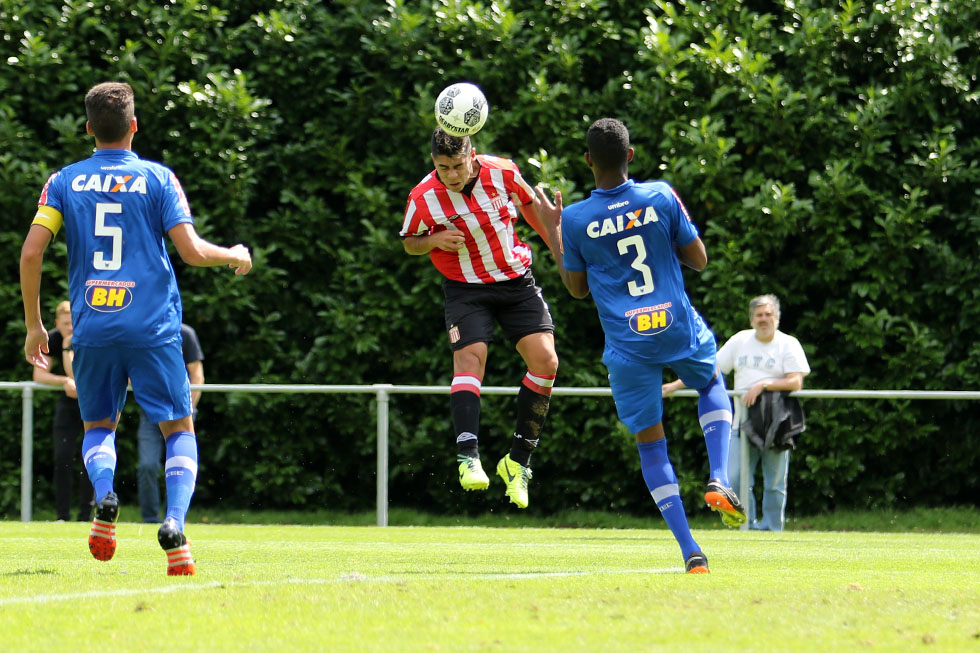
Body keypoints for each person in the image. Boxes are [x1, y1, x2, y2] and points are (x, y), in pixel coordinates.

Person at [21, 81, 252, 575]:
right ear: (133, 126)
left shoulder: (62, 181)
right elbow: (190, 252)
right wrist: (234, 255)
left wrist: (35, 327)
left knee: (99, 426)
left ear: (88, 129)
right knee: (178, 427)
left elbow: (31, 253)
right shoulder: (158, 178)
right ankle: (173, 526)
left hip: (93, 329)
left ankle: (104, 497)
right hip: (152, 328)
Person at [532, 118, 745, 573]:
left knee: (651, 444)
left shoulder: (575, 219)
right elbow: (700, 260)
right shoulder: (660, 195)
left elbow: (576, 289)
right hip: (675, 324)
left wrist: (553, 231)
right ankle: (719, 477)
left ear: (588, 161)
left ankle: (691, 552)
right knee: (709, 383)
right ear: (630, 155)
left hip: (627, 343)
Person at [400, 127, 559, 509]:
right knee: (471, 359)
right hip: (465, 287)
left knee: (546, 362)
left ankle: (517, 462)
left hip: (516, 281)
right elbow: (409, 241)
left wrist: (556, 244)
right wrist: (433, 241)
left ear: (472, 154)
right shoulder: (423, 198)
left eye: (457, 166)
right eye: (442, 168)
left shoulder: (502, 171)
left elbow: (528, 204)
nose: (452, 175)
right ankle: (468, 455)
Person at [708, 294, 810, 531]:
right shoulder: (740, 340)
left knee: (775, 483)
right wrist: (675, 384)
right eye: (759, 315)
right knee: (735, 479)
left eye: (768, 314)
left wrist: (763, 384)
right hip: (741, 423)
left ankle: (773, 529)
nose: (764, 319)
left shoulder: (788, 343)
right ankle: (749, 526)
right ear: (752, 319)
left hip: (777, 423)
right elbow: (712, 369)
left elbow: (795, 382)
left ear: (777, 317)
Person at [32, 300, 94, 522]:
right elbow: (39, 376)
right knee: (63, 458)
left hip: (93, 401)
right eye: (66, 324)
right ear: (57, 323)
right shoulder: (51, 338)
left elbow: (77, 375)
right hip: (68, 404)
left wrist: (69, 347)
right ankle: (62, 516)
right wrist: (64, 381)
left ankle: (86, 515)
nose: (71, 328)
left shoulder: (89, 335)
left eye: (74, 322)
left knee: (92, 458)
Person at [137, 323, 204, 523]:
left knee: (180, 465)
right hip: (150, 413)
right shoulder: (141, 330)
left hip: (181, 413)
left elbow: (197, 375)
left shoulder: (186, 333)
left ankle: (174, 516)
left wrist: (188, 409)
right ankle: (150, 518)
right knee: (147, 465)